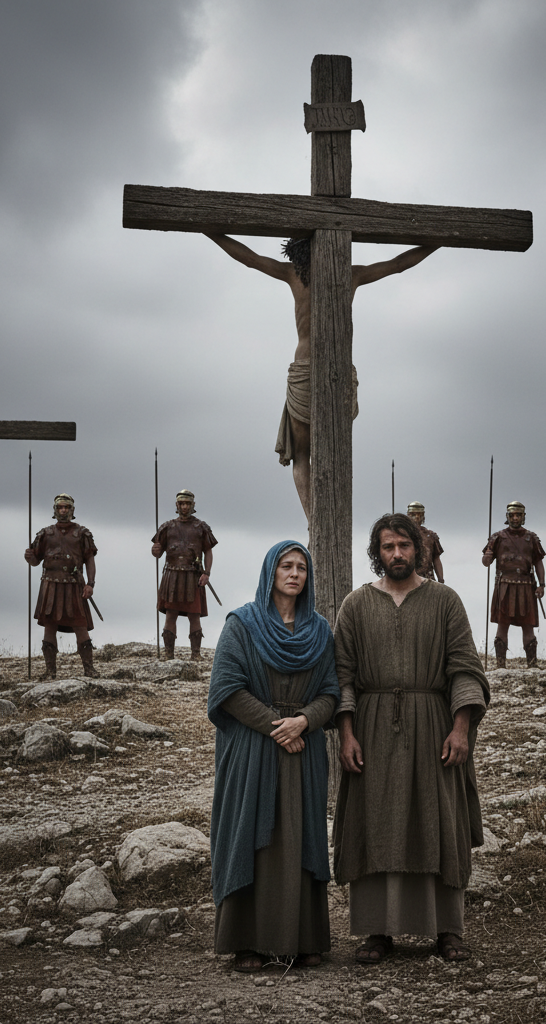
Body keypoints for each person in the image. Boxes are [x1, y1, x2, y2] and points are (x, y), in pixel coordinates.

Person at [333, 513, 490, 964]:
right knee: (375, 820)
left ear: (419, 549)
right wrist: (346, 734)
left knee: (439, 821)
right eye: (388, 547)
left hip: (434, 726)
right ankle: (376, 932)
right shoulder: (355, 605)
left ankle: (448, 930)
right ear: (376, 553)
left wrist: (461, 729)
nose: (397, 554)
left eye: (404, 545)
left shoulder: (445, 601)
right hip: (373, 727)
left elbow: (465, 668)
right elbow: (342, 676)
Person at [205, 233, 437, 522]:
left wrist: (210, 231)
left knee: (307, 455)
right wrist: (438, 242)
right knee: (328, 453)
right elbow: (399, 264)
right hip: (333, 371)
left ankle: (316, 520)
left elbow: (249, 259)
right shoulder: (349, 275)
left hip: (314, 370)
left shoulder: (296, 273)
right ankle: (319, 522)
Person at [208, 540, 340, 972]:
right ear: (271, 571)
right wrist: (275, 727)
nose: (295, 573)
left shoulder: (320, 631)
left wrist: (302, 722)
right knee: (250, 834)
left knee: (301, 838)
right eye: (286, 565)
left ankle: (305, 940)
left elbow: (331, 694)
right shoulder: (241, 625)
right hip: (251, 748)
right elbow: (227, 689)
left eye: (302, 567)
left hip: (303, 747)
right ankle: (246, 942)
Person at [24, 492, 99, 679]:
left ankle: (89, 669)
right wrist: (30, 557)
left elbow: (89, 559)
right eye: (59, 507)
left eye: (66, 507)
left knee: (80, 626)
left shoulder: (82, 533)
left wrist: (90, 584)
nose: (63, 510)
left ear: (72, 510)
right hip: (51, 586)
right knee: (49, 626)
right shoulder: (45, 534)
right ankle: (50, 672)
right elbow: (35, 561)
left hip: (74, 586)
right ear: (55, 510)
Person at [151, 489, 217, 661]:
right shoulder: (167, 527)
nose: (185, 506)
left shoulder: (201, 527)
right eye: (182, 503)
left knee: (194, 615)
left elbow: (208, 552)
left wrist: (207, 573)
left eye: (187, 503)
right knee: (171, 614)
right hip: (172, 575)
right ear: (177, 505)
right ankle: (168, 654)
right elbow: (157, 553)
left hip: (193, 576)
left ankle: (195, 654)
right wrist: (155, 550)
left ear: (193, 505)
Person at [481, 500, 546, 667]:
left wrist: (542, 584)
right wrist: (487, 557)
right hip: (505, 586)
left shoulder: (531, 538)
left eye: (518, 515)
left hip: (526, 586)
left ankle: (532, 665)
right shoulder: (497, 537)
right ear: (507, 516)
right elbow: (485, 562)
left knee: (528, 625)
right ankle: (500, 665)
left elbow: (538, 562)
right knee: (503, 624)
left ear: (523, 517)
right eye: (512, 515)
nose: (515, 518)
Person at [407, 501, 444, 582]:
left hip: (427, 579)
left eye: (419, 515)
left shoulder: (430, 536)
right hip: (406, 578)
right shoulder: (402, 535)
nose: (416, 517)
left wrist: (440, 579)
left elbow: (436, 558)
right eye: (413, 515)